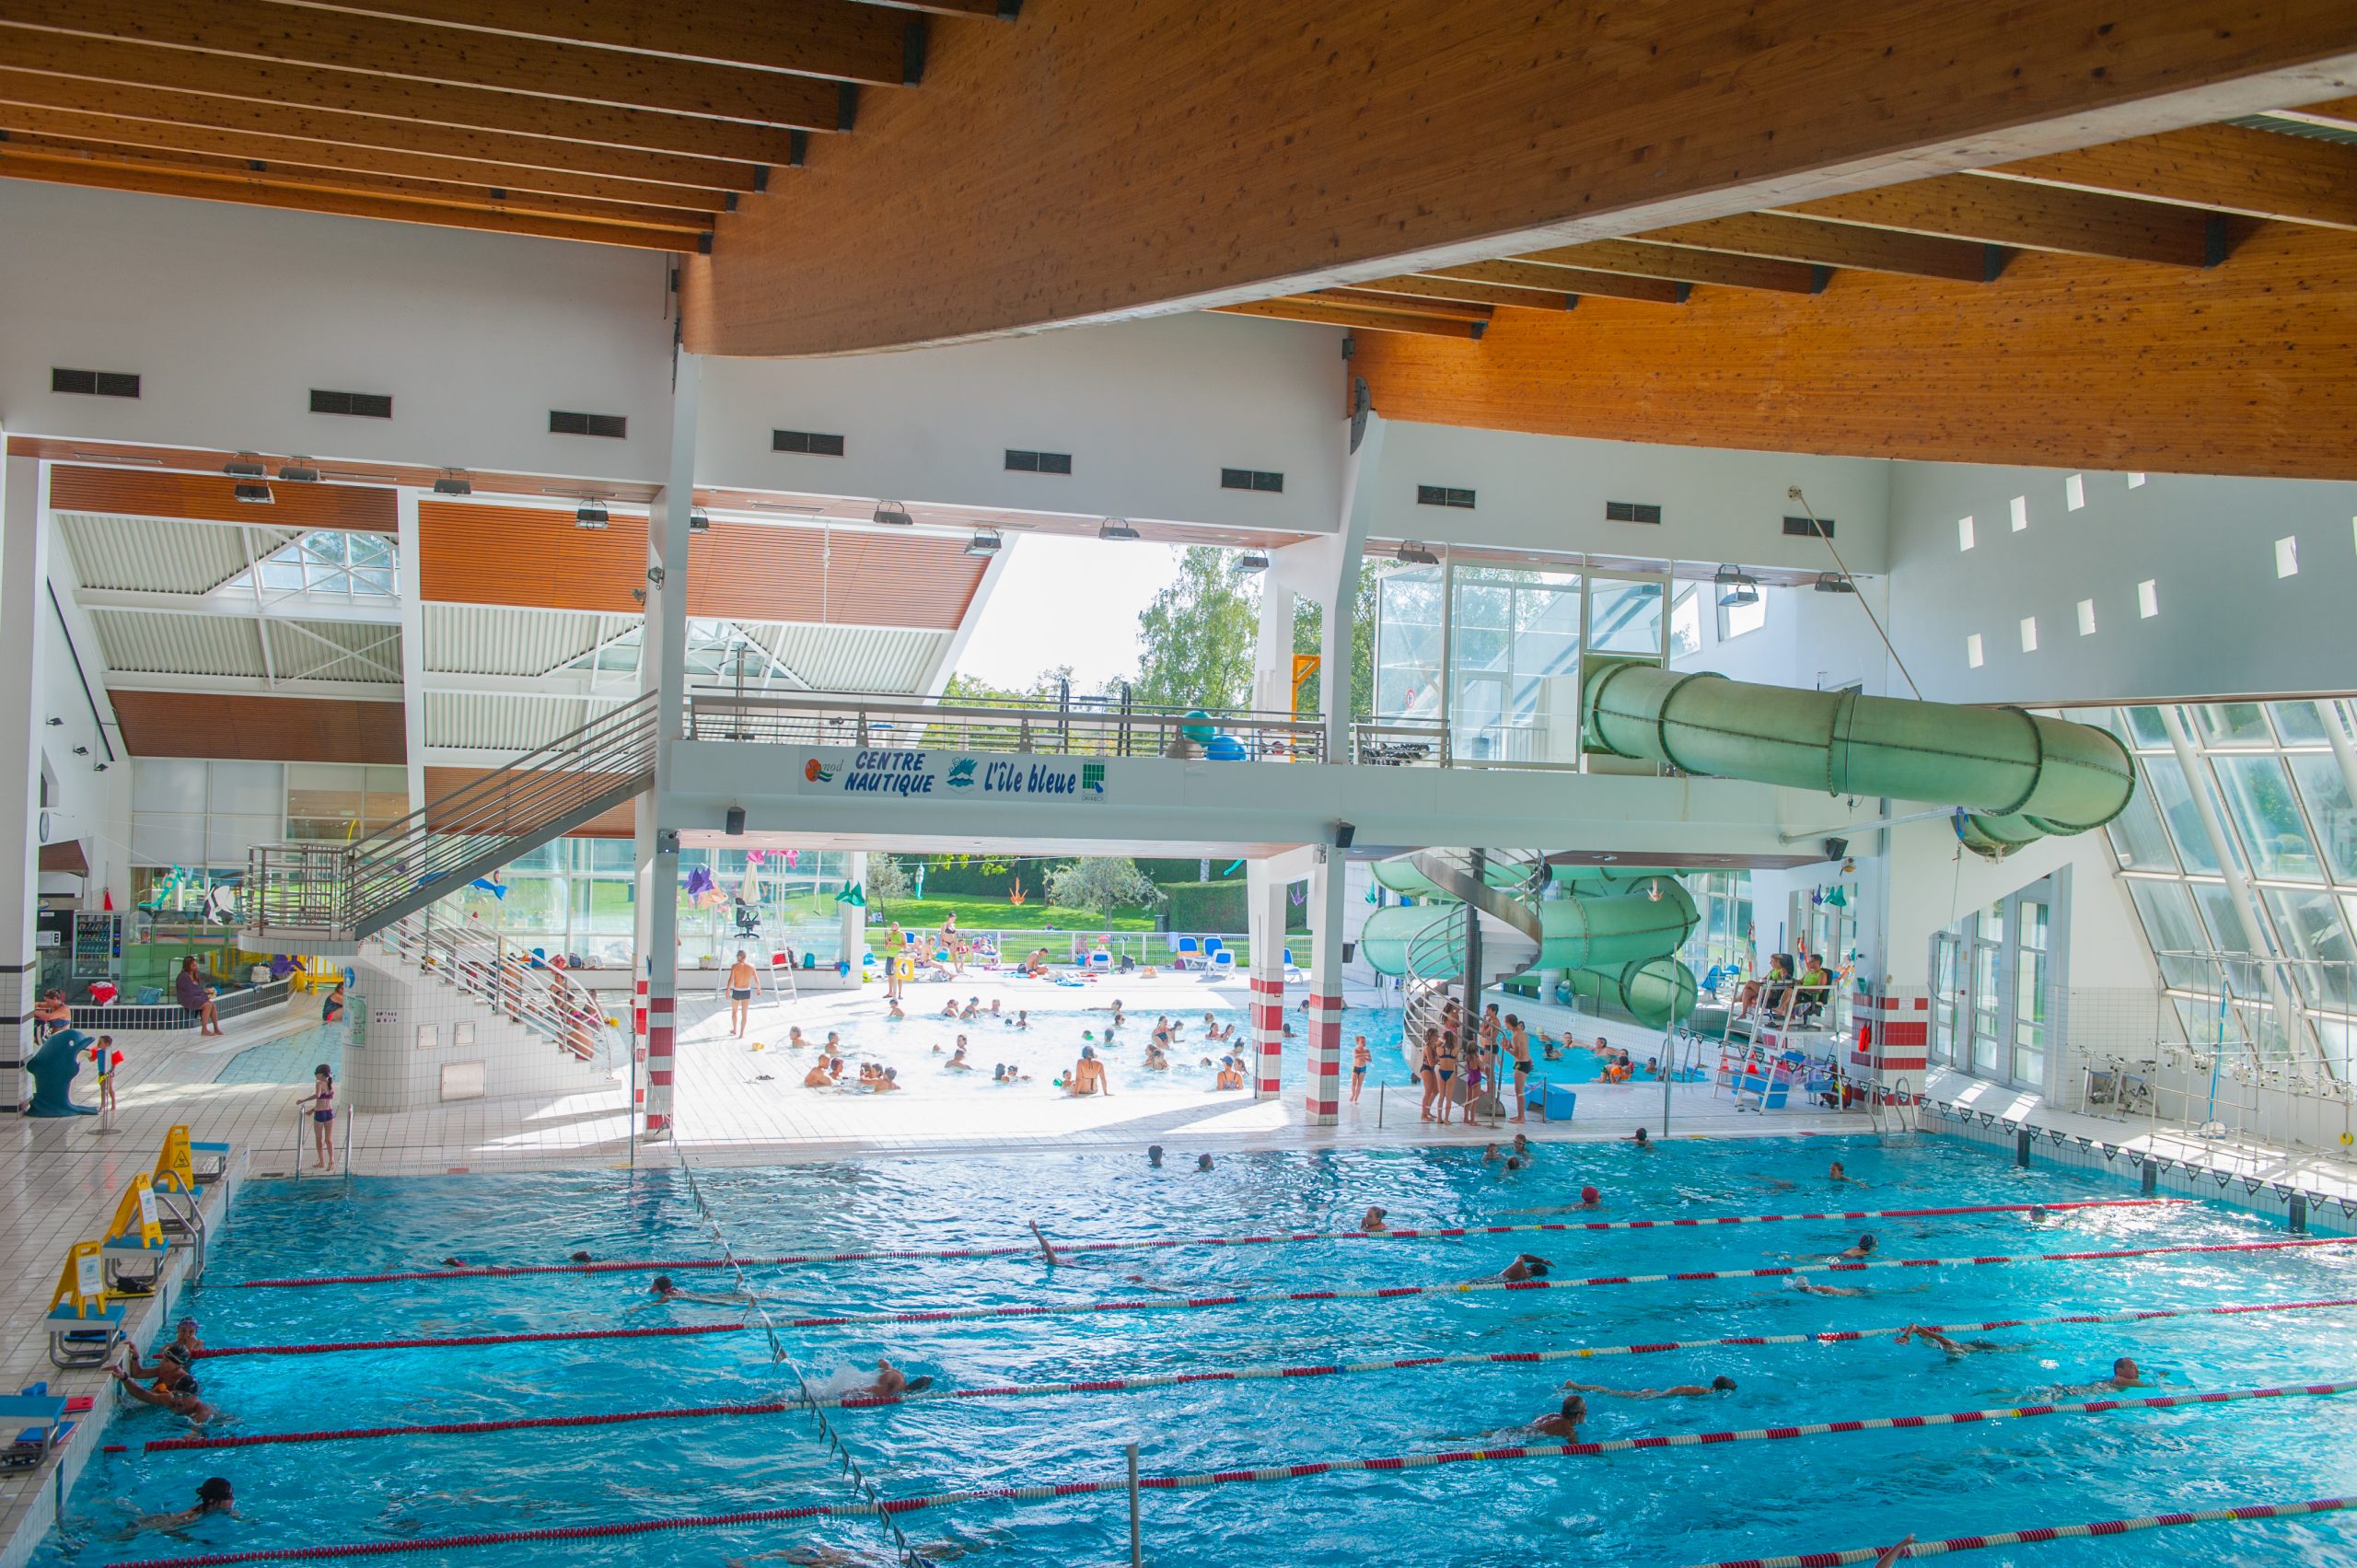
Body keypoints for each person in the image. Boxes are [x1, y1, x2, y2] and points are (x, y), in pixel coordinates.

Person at [123, 1477, 237, 1538]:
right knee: (120, 1539)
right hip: (148, 1524)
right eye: (228, 1496)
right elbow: (165, 1529)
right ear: (212, 1500)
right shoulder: (193, 1517)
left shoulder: (207, 1506)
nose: (233, 1498)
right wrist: (185, 1537)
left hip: (162, 1518)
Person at [114, 1365, 214, 1424]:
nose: (179, 1399)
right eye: (176, 1394)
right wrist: (124, 1378)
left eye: (185, 1396)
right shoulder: (169, 1399)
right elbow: (143, 1394)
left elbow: (194, 1434)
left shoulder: (202, 1413)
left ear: (195, 1397)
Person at [121, 1320, 203, 1380]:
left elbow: (183, 1363)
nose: (186, 1335)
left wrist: (189, 1346)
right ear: (178, 1329)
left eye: (191, 1332)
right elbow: (138, 1374)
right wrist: (135, 1357)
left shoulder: (186, 1382)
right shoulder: (164, 1367)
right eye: (183, 1331)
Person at [296, 1063, 336, 1171]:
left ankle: (322, 1162)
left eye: (316, 1074)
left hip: (319, 1115)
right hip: (329, 1113)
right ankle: (331, 1161)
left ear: (322, 1074)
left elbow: (318, 1096)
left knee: (319, 1140)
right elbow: (324, 1101)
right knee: (329, 1140)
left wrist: (303, 1100)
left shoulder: (319, 1083)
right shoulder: (331, 1084)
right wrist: (311, 1110)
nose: (315, 1076)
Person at [1563, 1376, 1736, 1399]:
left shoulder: (1704, 1390)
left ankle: (1577, 1387)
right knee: (1611, 1392)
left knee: (1613, 1392)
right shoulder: (1705, 1391)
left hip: (1657, 1395)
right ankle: (1575, 1386)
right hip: (1655, 1396)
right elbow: (1679, 1388)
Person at [177, 958, 223, 1037]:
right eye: (194, 965)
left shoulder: (196, 974)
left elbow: (197, 988)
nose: (196, 967)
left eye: (196, 965)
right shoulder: (183, 976)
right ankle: (204, 1030)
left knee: (212, 1005)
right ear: (188, 966)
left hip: (195, 996)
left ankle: (216, 1028)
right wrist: (202, 992)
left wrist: (204, 991)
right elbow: (189, 991)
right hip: (186, 998)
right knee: (208, 1005)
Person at [724, 950, 764, 1039]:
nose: (737, 958)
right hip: (746, 991)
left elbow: (731, 980)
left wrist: (727, 990)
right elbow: (756, 980)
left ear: (740, 956)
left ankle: (735, 1030)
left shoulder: (734, 966)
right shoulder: (751, 967)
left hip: (737, 991)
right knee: (744, 1013)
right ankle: (741, 1033)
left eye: (737, 956)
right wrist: (759, 989)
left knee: (734, 1011)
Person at [1434, 1031, 1459, 1125]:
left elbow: (1438, 1059)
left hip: (1441, 1072)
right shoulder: (1456, 1049)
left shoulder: (1439, 1049)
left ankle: (1439, 1118)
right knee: (1448, 1097)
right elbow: (1456, 1062)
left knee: (1441, 1096)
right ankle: (1446, 1119)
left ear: (1444, 1038)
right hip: (1451, 1073)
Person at [1418, 1028, 1442, 1123]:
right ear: (1431, 1037)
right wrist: (1439, 1060)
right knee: (1428, 1091)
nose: (1437, 1037)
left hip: (1430, 1069)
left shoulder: (1434, 1046)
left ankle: (1427, 1111)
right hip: (1426, 1069)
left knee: (1436, 1091)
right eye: (1436, 1035)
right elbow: (1431, 1063)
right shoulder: (1427, 1047)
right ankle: (1423, 1114)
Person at [1350, 1035, 1371, 1103]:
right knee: (1353, 1084)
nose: (1364, 1043)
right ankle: (1353, 1094)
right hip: (1355, 1068)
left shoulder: (1367, 1050)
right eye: (1362, 1042)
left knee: (1359, 1084)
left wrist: (1364, 1057)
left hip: (1363, 1069)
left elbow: (1370, 1060)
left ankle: (1356, 1098)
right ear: (1358, 1042)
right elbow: (1356, 1056)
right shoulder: (1356, 1050)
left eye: (1364, 1042)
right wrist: (1365, 1055)